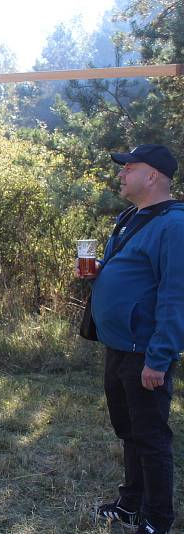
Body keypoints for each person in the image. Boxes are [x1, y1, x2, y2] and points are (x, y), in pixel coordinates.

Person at [82, 144, 183, 534]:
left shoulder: (174, 226)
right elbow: (134, 271)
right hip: (118, 347)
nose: (122, 174)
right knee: (128, 430)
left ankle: (158, 518)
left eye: (130, 168)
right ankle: (130, 504)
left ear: (153, 176)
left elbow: (176, 296)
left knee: (152, 437)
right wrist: (100, 272)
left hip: (145, 352)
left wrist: (159, 358)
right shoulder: (131, 217)